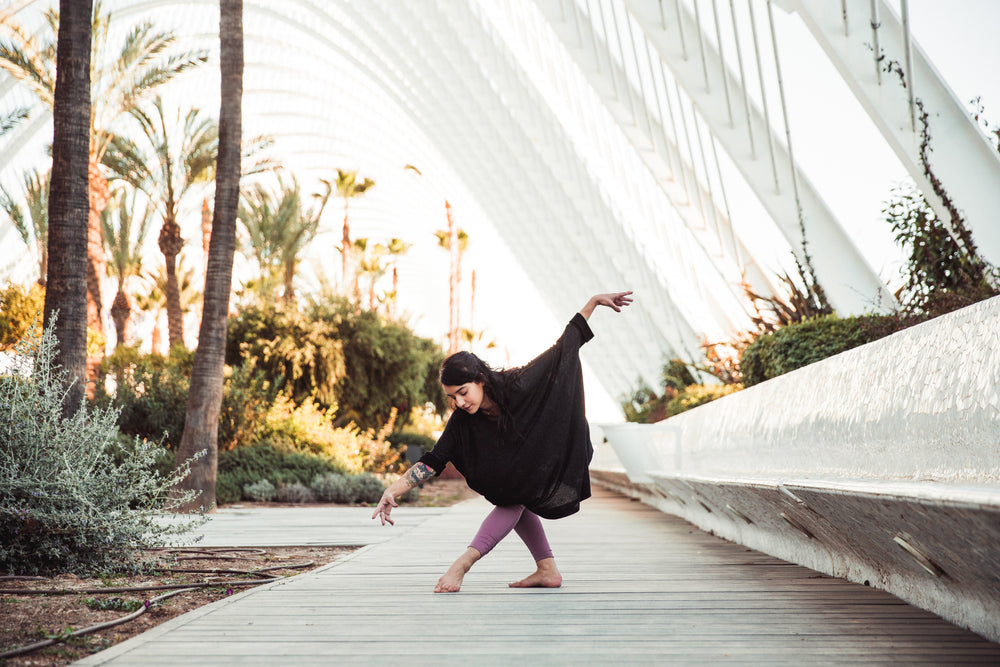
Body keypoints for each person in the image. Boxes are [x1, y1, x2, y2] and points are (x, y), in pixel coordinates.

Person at [372, 291, 633, 592]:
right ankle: (547, 569)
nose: (459, 402)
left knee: (513, 494)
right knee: (511, 491)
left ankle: (463, 564)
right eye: (452, 397)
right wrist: (394, 489)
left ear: (480, 379)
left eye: (463, 391)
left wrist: (593, 303)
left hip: (554, 447)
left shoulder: (517, 384)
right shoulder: (461, 422)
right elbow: (434, 459)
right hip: (520, 467)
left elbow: (562, 350)